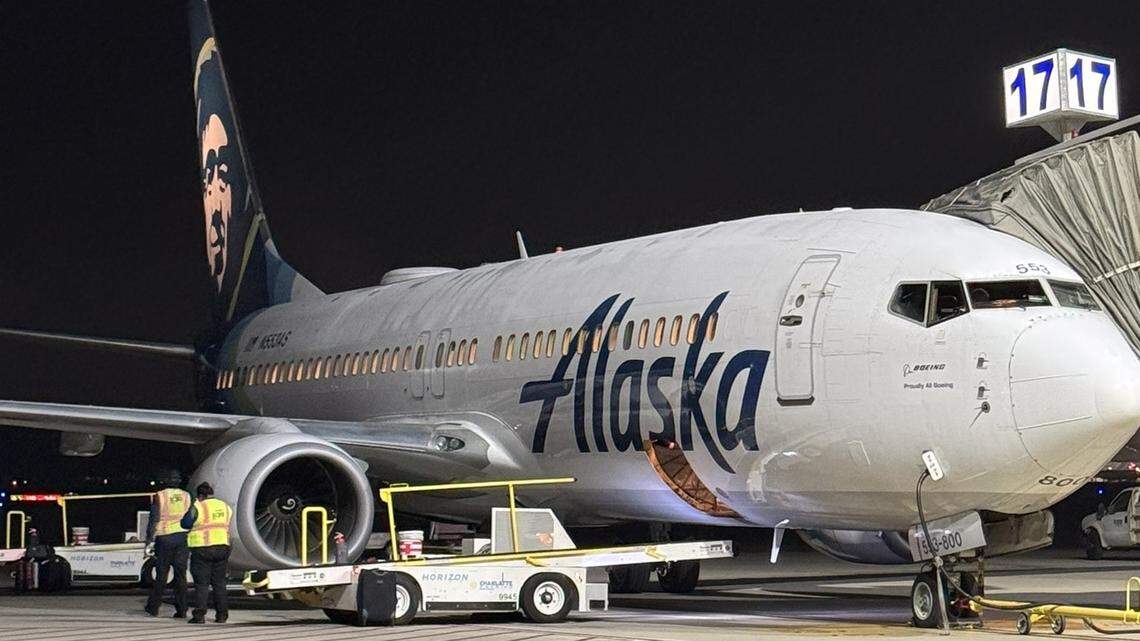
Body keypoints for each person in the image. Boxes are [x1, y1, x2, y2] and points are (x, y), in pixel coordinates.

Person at [181, 482, 233, 624]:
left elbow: (185, 523)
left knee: (202, 584)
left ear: (200, 495)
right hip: (222, 547)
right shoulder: (225, 506)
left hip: (202, 548)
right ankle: (222, 615)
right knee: (219, 583)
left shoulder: (198, 506)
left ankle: (199, 615)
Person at [144, 471, 191, 618]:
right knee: (180, 575)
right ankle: (182, 609)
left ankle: (154, 608)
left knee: (162, 575)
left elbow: (154, 518)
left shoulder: (160, 495)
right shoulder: (186, 496)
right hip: (182, 537)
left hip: (164, 537)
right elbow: (189, 517)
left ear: (165, 481)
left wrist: (148, 540)